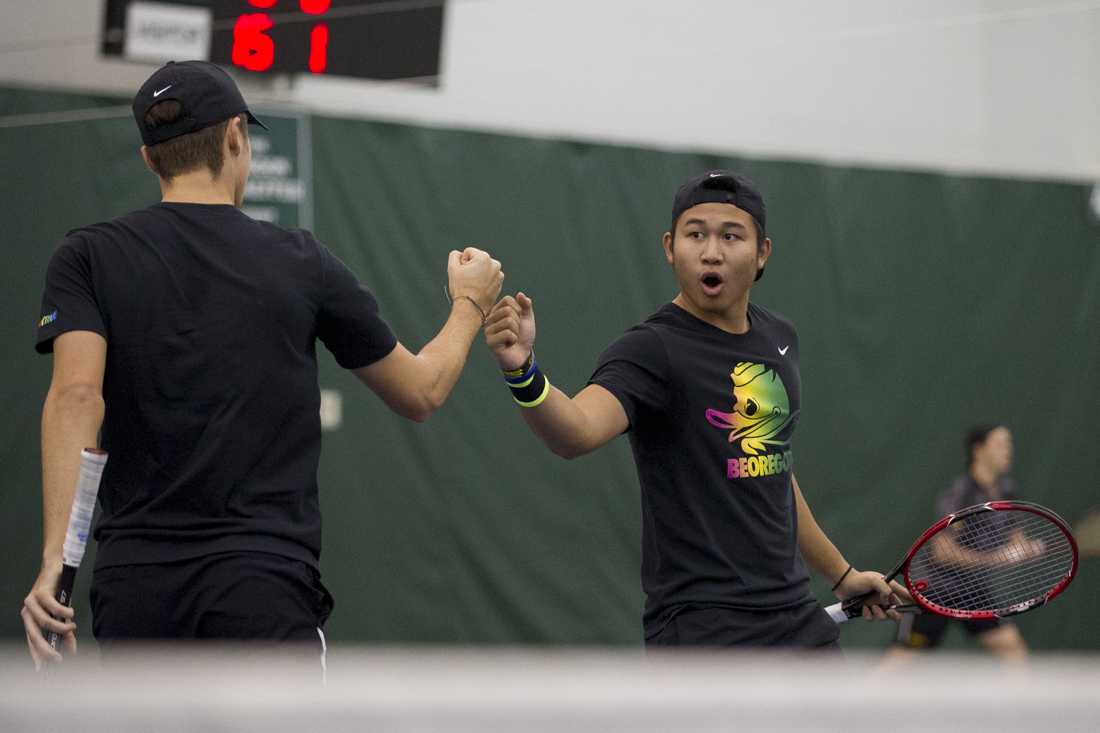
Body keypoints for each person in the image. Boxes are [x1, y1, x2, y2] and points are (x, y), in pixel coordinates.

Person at [21, 60, 503, 669]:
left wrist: (52, 568)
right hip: (262, 591)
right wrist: (469, 304)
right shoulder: (302, 261)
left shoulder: (85, 256)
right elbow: (422, 391)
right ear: (233, 137)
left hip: (135, 593)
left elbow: (75, 400)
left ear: (149, 160)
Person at [483, 170, 904, 648]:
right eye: (696, 234)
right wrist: (522, 371)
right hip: (702, 631)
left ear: (762, 252)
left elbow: (772, 468)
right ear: (670, 247)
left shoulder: (778, 338)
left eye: (731, 235)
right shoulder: (651, 350)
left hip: (795, 618)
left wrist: (842, 573)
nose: (711, 252)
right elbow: (575, 433)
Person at [884, 425, 1029, 661]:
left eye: (1009, 444)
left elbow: (1016, 540)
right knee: (901, 662)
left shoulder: (1007, 490)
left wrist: (1025, 549)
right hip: (935, 590)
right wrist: (995, 558)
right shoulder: (961, 494)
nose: (1008, 450)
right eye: (1001, 444)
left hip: (972, 591)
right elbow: (942, 551)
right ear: (979, 450)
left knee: (1011, 646)